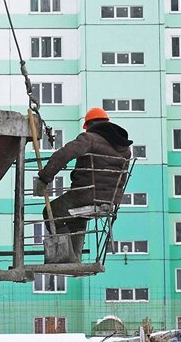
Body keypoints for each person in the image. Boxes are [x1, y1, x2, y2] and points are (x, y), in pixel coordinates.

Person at [34, 107, 133, 261]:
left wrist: (45, 177)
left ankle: (66, 257)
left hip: (86, 196)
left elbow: (65, 153)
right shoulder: (124, 149)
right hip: (109, 201)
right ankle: (75, 258)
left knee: (51, 212)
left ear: (89, 125)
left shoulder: (90, 138)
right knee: (78, 219)